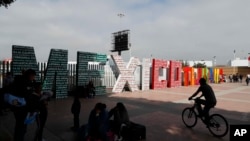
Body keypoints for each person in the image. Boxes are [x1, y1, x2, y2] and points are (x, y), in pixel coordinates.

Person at [11, 69, 36, 141]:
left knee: (20, 126)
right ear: (30, 75)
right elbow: (27, 96)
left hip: (17, 107)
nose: (33, 78)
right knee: (21, 128)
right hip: (21, 108)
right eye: (33, 76)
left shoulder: (19, 81)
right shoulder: (25, 83)